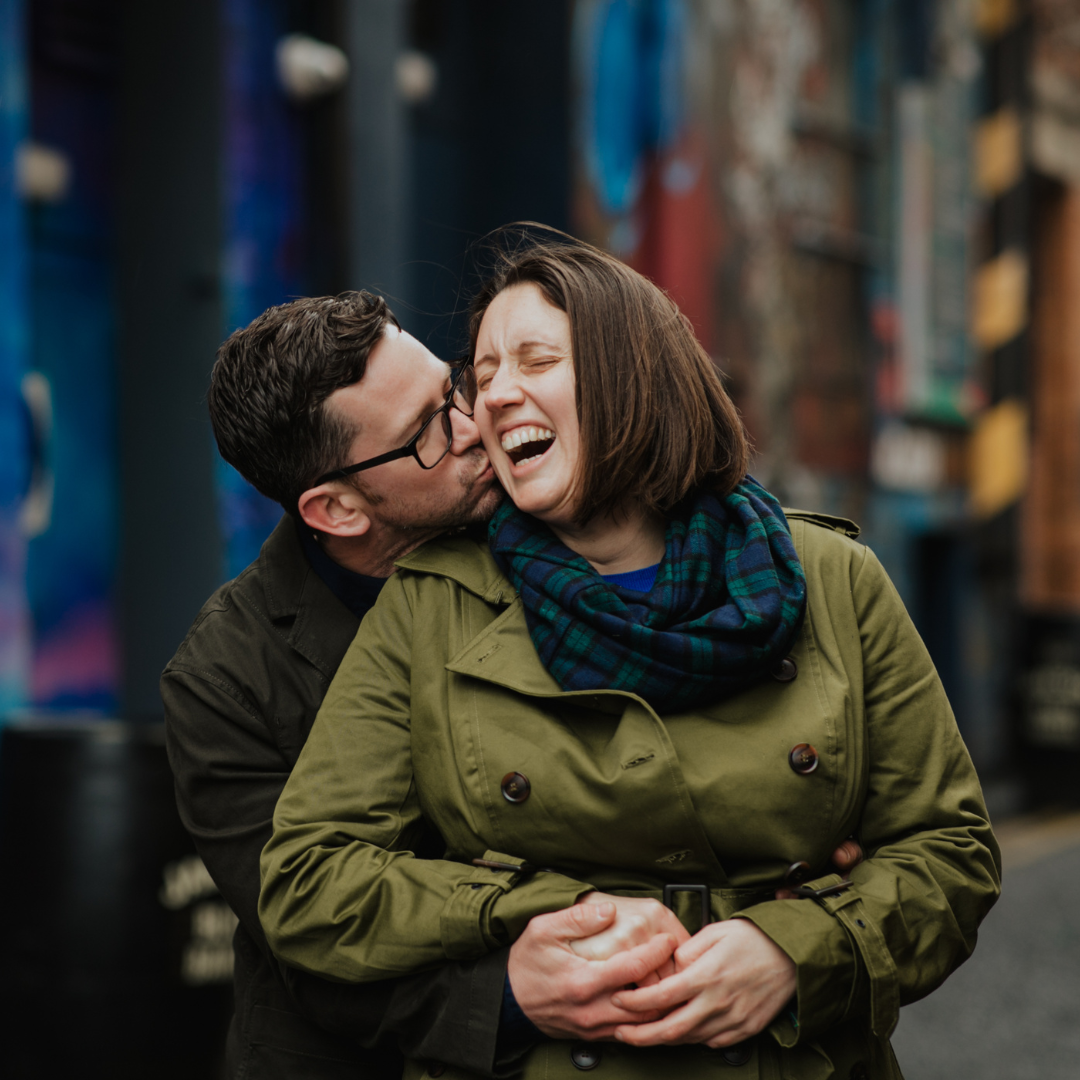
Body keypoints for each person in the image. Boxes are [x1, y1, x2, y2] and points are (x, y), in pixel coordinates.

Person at [258, 237, 1002, 1080]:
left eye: (537, 359)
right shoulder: (433, 604)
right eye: (483, 370)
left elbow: (950, 851)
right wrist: (533, 918)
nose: (494, 396)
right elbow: (310, 878)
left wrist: (797, 952)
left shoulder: (832, 581)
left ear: (635, 376)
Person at [162, 291, 702, 1079]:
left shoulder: (548, 523)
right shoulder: (223, 680)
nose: (472, 424)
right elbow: (308, 942)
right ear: (338, 508)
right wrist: (510, 995)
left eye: (451, 387)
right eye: (424, 434)